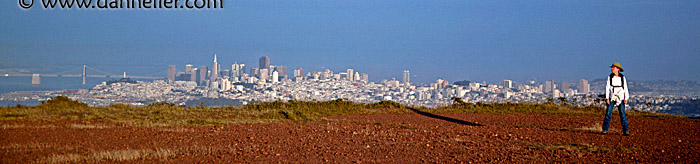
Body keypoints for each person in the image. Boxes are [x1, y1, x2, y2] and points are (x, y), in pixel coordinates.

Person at [602, 62, 630, 136]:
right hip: (612, 97)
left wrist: (626, 98)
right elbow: (607, 88)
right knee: (608, 113)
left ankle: (626, 130)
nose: (612, 69)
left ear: (618, 69)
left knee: (622, 114)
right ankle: (605, 129)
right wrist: (607, 98)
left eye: (613, 67)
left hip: (620, 97)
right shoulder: (610, 77)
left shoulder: (622, 78)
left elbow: (625, 88)